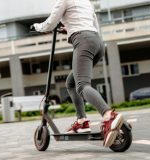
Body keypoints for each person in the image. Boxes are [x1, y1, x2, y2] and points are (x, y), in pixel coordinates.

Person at [33, 0, 124, 147]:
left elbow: (50, 23)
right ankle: (82, 121)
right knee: (71, 83)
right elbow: (89, 24)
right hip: (98, 42)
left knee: (82, 85)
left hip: (83, 41)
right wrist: (67, 30)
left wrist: (37, 27)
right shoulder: (85, 2)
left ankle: (108, 114)